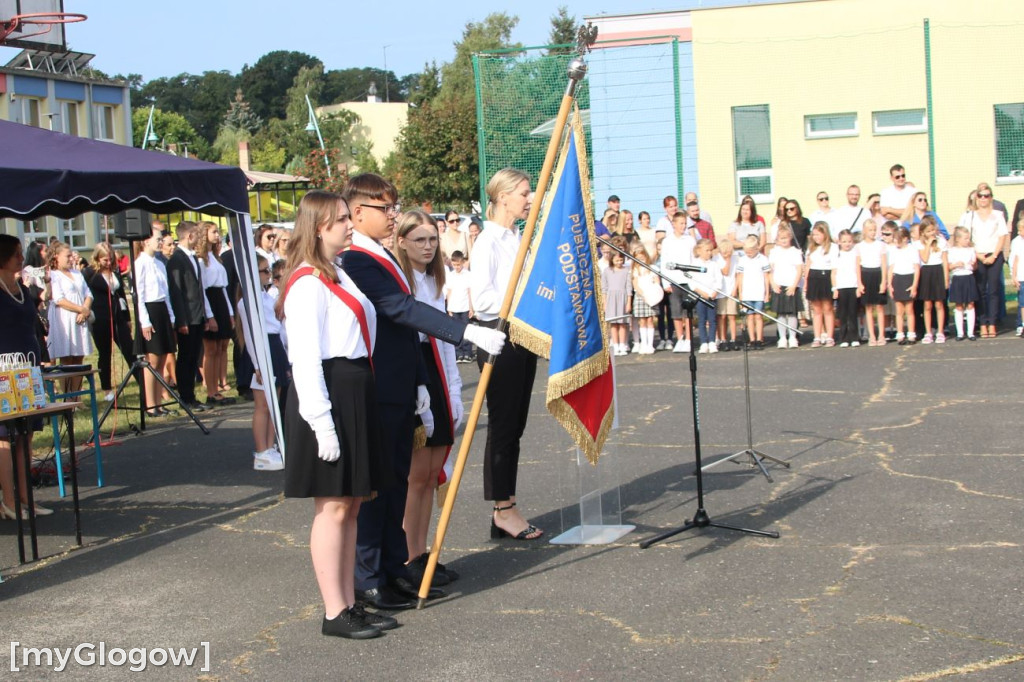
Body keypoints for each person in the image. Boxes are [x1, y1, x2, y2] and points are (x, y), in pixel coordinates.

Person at [340, 174, 505, 609]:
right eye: (385, 209)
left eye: (395, 207)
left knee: (394, 483)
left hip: (401, 386)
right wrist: (465, 332)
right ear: (358, 214)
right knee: (379, 490)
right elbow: (399, 309)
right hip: (377, 386)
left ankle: (393, 568)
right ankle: (369, 576)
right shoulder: (356, 258)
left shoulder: (380, 256)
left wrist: (420, 385)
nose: (393, 215)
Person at [274, 190, 394, 640]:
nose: (349, 225)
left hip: (353, 390)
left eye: (348, 217)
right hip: (329, 394)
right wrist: (322, 423)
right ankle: (333, 610)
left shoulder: (338, 273)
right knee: (333, 507)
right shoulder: (307, 282)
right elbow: (305, 359)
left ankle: (348, 602)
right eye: (341, 219)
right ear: (319, 226)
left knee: (351, 504)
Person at [469, 168, 545, 541]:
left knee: (515, 426)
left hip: (521, 338)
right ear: (502, 197)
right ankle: (503, 509)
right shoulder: (488, 241)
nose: (529, 199)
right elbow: (482, 300)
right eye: (524, 193)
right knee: (503, 427)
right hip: (500, 339)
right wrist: (521, 301)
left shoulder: (517, 237)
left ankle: (507, 503)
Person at [393, 210, 463, 587]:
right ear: (401, 240)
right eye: (419, 239)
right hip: (414, 371)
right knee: (416, 476)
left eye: (433, 239)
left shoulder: (436, 280)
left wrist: (453, 391)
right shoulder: (400, 280)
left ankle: (420, 554)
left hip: (436, 368)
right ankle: (407, 556)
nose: (427, 246)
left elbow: (447, 342)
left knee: (432, 470)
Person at [0, 235, 53, 519]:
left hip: (29, 368)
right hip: (4, 370)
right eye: (16, 253)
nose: (21, 258)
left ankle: (25, 498)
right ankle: (8, 500)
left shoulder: (20, 287)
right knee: (4, 437)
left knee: (26, 435)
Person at [236, 254, 285, 472]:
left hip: (274, 347)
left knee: (275, 403)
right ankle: (261, 450)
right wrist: (257, 364)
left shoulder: (267, 296)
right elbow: (250, 333)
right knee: (263, 405)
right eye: (264, 271)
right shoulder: (247, 301)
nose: (268, 275)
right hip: (262, 350)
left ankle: (271, 446)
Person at [167, 221, 216, 413]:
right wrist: (181, 320)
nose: (199, 238)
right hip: (186, 317)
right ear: (189, 236)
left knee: (194, 356)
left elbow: (198, 289)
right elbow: (177, 292)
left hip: (197, 315)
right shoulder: (176, 259)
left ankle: (192, 397)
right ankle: (185, 397)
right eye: (196, 235)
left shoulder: (193, 258)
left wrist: (204, 315)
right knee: (186, 357)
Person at [133, 227, 177, 417]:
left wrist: (171, 316)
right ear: (146, 241)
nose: (160, 242)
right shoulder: (140, 263)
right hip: (149, 311)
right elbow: (139, 294)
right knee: (152, 359)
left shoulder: (159, 263)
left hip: (161, 310)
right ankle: (150, 404)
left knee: (162, 358)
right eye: (157, 239)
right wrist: (144, 321)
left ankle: (159, 402)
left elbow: (165, 293)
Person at [83, 242, 135, 401]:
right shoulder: (89, 273)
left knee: (130, 349)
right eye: (104, 259)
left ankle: (143, 384)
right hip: (100, 318)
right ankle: (106, 389)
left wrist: (127, 318)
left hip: (118, 316)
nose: (107, 262)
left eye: (110, 259)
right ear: (97, 258)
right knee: (105, 353)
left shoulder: (114, 271)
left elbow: (121, 295)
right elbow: (85, 293)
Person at [959, 182, 1008, 338]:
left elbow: (1002, 236)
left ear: (991, 198)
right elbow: (966, 237)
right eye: (980, 196)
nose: (983, 199)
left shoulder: (997, 215)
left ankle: (992, 323)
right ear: (976, 198)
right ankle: (982, 323)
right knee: (980, 291)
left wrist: (994, 255)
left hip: (994, 255)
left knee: (993, 290)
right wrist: (979, 256)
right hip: (977, 255)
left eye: (986, 196)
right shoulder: (969, 216)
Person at [196, 222, 236, 406]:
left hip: (220, 299)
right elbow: (203, 289)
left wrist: (229, 312)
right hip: (210, 300)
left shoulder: (216, 257)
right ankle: (211, 391)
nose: (217, 235)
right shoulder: (201, 259)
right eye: (213, 231)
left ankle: (218, 388)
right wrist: (209, 315)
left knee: (221, 348)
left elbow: (224, 288)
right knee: (211, 350)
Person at [47, 242, 93, 393]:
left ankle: (77, 396)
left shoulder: (77, 273)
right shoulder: (54, 275)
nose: (71, 258)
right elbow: (59, 299)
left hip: (80, 318)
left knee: (78, 358)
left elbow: (88, 294)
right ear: (56, 257)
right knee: (67, 359)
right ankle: (68, 396)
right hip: (64, 319)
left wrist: (84, 310)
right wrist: (81, 309)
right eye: (67, 256)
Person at [660, 212, 698, 353]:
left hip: (687, 281)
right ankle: (680, 339)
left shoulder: (690, 240)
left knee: (688, 312)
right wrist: (665, 283)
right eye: (681, 223)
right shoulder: (667, 241)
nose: (683, 226)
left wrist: (694, 281)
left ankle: (689, 339)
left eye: (685, 223)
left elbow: (693, 260)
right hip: (673, 280)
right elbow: (664, 262)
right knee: (676, 312)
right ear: (674, 224)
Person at [803, 222, 838, 347]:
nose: (816, 237)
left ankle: (830, 336)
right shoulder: (811, 248)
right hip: (814, 277)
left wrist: (834, 287)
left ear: (825, 233)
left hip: (826, 277)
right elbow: (807, 266)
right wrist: (806, 283)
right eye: (814, 235)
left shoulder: (833, 247)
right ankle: (817, 337)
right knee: (816, 310)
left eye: (818, 234)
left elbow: (834, 269)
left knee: (828, 308)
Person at [768, 226, 803, 348]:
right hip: (778, 285)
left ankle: (793, 337)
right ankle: (782, 338)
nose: (783, 240)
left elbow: (799, 270)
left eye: (786, 238)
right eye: (781, 238)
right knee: (781, 314)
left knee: (793, 314)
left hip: (791, 286)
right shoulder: (774, 252)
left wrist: (794, 285)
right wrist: (773, 284)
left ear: (790, 238)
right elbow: (770, 270)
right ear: (777, 239)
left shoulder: (795, 252)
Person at [915, 216, 949, 344]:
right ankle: (928, 332)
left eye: (933, 230)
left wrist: (946, 278)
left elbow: (945, 261)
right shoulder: (919, 243)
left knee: (939, 304)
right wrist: (928, 244)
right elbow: (924, 259)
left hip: (937, 272)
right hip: (926, 273)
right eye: (928, 231)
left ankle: (940, 331)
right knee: (927, 305)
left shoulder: (941, 241)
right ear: (923, 232)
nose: (932, 233)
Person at [855, 219, 889, 346]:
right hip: (865, 275)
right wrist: (859, 283)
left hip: (877, 274)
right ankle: (872, 336)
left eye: (875, 229)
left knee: (879, 307)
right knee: (868, 308)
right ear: (864, 231)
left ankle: (881, 335)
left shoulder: (881, 245)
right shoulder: (859, 246)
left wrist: (883, 281)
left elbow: (884, 264)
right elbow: (857, 266)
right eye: (870, 230)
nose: (873, 232)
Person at [735, 235, 770, 348]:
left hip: (759, 293)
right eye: (746, 251)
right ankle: (752, 339)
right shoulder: (743, 260)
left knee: (758, 316)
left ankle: (759, 339)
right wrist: (740, 293)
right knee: (750, 317)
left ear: (756, 249)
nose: (748, 253)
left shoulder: (762, 259)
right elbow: (740, 277)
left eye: (750, 251)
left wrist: (767, 293)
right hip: (747, 294)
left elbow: (766, 276)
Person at [688, 239, 722, 354]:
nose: (709, 253)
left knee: (712, 320)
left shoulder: (714, 265)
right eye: (706, 250)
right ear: (699, 251)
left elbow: (718, 279)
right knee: (701, 320)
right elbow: (692, 282)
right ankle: (703, 342)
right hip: (700, 297)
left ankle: (712, 342)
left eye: (710, 250)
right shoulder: (695, 264)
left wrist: (715, 291)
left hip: (712, 296)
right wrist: (701, 292)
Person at [888, 226, 920, 345]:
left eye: (898, 239)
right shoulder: (893, 250)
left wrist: (914, 285)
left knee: (909, 309)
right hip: (897, 279)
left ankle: (911, 334)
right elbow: (891, 268)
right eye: (894, 239)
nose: (895, 241)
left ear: (906, 238)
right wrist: (890, 285)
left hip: (908, 278)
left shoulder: (912, 249)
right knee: (899, 310)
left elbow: (917, 268)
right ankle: (900, 334)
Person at [947, 226, 979, 341]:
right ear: (957, 239)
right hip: (958, 278)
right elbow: (948, 267)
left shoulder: (971, 250)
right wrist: (955, 265)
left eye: (968, 238)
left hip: (968, 278)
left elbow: (975, 267)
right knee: (959, 305)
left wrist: (973, 264)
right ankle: (960, 333)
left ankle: (970, 332)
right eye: (965, 238)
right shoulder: (952, 251)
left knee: (970, 304)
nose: (967, 241)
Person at [443, 250, 474, 362]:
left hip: (465, 306)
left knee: (466, 329)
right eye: (454, 265)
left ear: (462, 263)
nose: (456, 267)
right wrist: (449, 308)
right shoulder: (450, 276)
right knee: (456, 330)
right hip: (454, 307)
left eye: (458, 265)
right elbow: (449, 291)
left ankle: (467, 352)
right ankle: (458, 352)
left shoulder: (468, 275)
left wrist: (471, 307)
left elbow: (470, 291)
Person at [629, 241, 658, 354]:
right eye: (638, 259)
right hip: (641, 297)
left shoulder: (652, 268)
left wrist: (652, 292)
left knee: (650, 320)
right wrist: (643, 294)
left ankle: (650, 345)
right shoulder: (635, 270)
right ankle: (644, 344)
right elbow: (636, 285)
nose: (641, 261)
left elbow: (656, 282)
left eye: (643, 258)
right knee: (642, 321)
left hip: (652, 297)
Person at [602, 250, 632, 356]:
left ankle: (623, 344)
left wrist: (629, 302)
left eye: (621, 260)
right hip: (611, 298)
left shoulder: (626, 271)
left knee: (622, 323)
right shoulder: (607, 271)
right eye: (617, 260)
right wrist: (604, 303)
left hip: (622, 297)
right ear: (612, 260)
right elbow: (604, 288)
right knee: (613, 324)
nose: (619, 262)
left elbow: (629, 287)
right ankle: (615, 345)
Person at [833, 230, 860, 347]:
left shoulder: (855, 254)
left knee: (853, 313)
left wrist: (859, 286)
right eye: (844, 241)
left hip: (853, 286)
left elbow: (858, 271)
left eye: (849, 241)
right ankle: (844, 338)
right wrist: (834, 288)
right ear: (839, 242)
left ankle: (854, 337)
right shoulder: (836, 255)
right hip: (841, 287)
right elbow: (833, 273)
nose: (847, 244)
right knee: (842, 314)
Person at [716, 240, 739, 351]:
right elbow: (725, 271)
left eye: (728, 253)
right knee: (722, 316)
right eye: (724, 253)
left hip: (731, 291)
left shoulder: (736, 258)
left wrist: (735, 289)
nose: (726, 255)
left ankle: (733, 339)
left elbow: (737, 275)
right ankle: (722, 339)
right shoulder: (716, 259)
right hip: (720, 292)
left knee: (732, 316)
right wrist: (728, 261)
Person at [1009, 216, 1024, 336]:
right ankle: (1022, 324)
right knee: (1022, 303)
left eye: (1021, 230)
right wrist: (1013, 276)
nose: (1019, 232)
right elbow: (1015, 260)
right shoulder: (1017, 242)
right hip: (1022, 277)